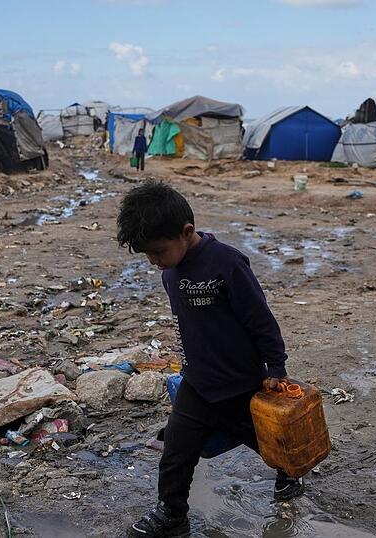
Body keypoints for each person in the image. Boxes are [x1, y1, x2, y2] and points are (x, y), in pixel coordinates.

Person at [118, 182, 303, 537]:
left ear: (187, 231)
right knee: (176, 453)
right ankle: (173, 516)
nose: (153, 261)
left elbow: (260, 319)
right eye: (147, 255)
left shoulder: (227, 264)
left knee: (267, 442)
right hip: (198, 383)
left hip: (240, 384)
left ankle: (289, 470)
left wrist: (276, 366)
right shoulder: (170, 273)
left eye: (157, 251)